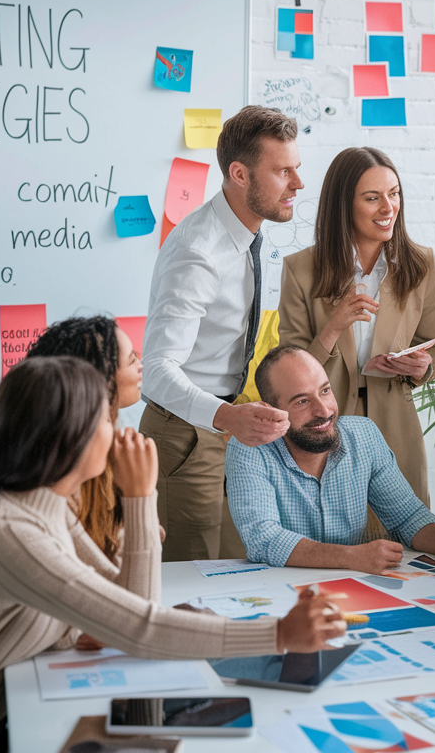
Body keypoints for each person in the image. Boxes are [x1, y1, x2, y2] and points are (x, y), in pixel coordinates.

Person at [0, 357, 344, 753]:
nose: (119, 431)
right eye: (105, 419)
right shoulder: (7, 527)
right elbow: (141, 627)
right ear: (68, 437)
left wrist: (87, 619)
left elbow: (130, 605)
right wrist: (279, 633)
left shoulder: (44, 504)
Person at [141, 105, 302, 561]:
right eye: (283, 171)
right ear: (240, 174)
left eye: (297, 169)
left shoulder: (249, 237)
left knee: (240, 569)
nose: (298, 184)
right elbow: (155, 371)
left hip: (227, 428)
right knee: (192, 581)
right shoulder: (199, 251)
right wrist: (228, 419)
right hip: (184, 436)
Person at [278, 147, 435, 540]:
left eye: (394, 193)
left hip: (396, 425)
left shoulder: (423, 265)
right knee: (328, 542)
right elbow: (287, 368)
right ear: (343, 206)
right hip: (325, 426)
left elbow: (434, 348)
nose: (388, 207)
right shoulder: (301, 270)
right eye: (372, 198)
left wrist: (423, 367)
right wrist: (333, 327)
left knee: (406, 544)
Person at [225, 345, 435, 572]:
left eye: (325, 391)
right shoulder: (248, 448)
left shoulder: (364, 435)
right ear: (272, 411)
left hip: (354, 592)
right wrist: (351, 557)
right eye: (302, 402)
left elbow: (407, 517)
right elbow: (263, 539)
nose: (324, 410)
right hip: (283, 597)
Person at [25, 315, 143, 563]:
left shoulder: (107, 454)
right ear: (101, 380)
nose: (141, 364)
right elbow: (124, 590)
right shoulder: (60, 478)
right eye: (132, 359)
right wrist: (142, 509)